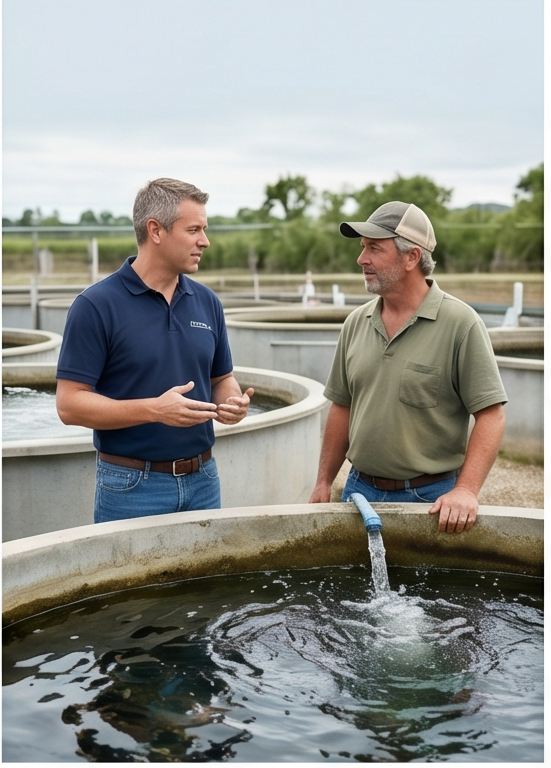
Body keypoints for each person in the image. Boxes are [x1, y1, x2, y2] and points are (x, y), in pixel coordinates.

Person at [56, 177, 254, 523]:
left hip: (204, 479)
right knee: (126, 580)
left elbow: (223, 378)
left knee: (205, 580)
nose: (204, 242)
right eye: (193, 229)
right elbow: (70, 405)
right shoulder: (96, 306)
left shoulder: (207, 302)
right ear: (156, 231)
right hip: (130, 487)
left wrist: (231, 401)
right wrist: (154, 410)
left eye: (204, 229)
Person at [309, 201, 507, 534]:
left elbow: (491, 415)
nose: (362, 259)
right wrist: (324, 481)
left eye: (374, 248)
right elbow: (342, 406)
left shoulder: (461, 324)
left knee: (429, 588)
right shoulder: (356, 323)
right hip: (360, 491)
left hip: (433, 498)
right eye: (362, 248)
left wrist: (466, 490)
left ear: (411, 257)